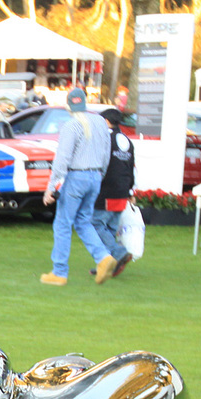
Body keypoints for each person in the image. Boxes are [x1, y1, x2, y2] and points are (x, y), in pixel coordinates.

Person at [41, 88, 116, 286]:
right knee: (83, 221)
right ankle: (103, 257)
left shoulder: (71, 126)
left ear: (69, 106)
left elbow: (62, 159)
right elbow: (107, 152)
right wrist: (100, 174)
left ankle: (59, 272)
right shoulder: (100, 122)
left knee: (63, 224)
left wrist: (51, 186)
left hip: (76, 177)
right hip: (95, 175)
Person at [91, 107, 135, 278]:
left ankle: (119, 252)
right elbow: (131, 167)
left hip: (106, 189)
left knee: (95, 224)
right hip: (122, 189)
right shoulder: (127, 141)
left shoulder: (104, 140)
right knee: (109, 228)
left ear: (107, 122)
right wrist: (130, 189)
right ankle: (106, 264)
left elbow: (99, 166)